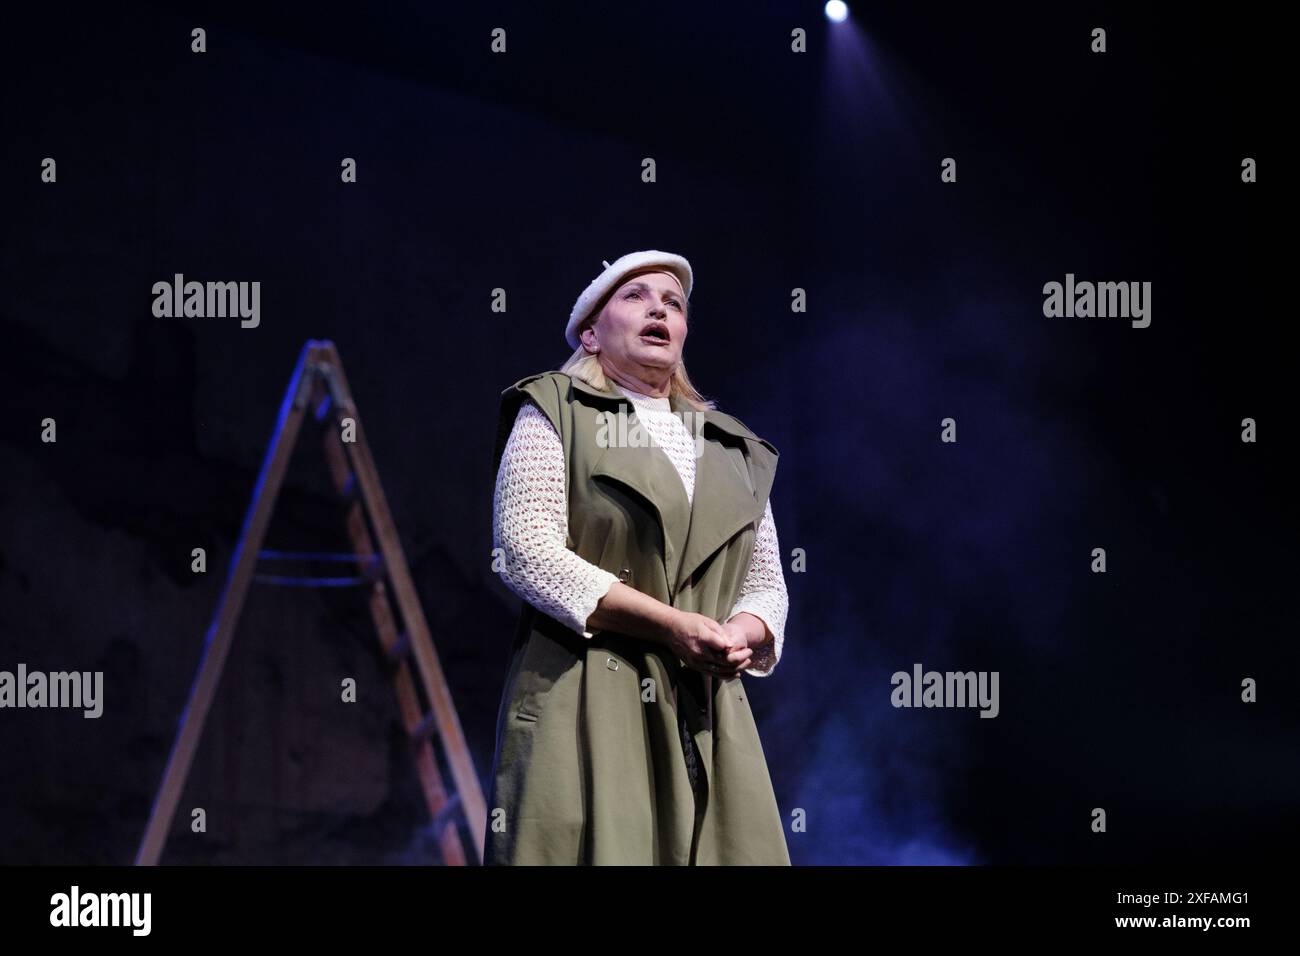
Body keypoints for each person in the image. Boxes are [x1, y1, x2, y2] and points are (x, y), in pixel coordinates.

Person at [484, 250, 790, 865]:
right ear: (591, 334)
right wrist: (672, 625)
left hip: (705, 705)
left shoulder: (731, 446)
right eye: (635, 296)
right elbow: (526, 549)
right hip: (588, 689)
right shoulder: (555, 409)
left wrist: (740, 633)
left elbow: (765, 581)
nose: (659, 308)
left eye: (673, 304)